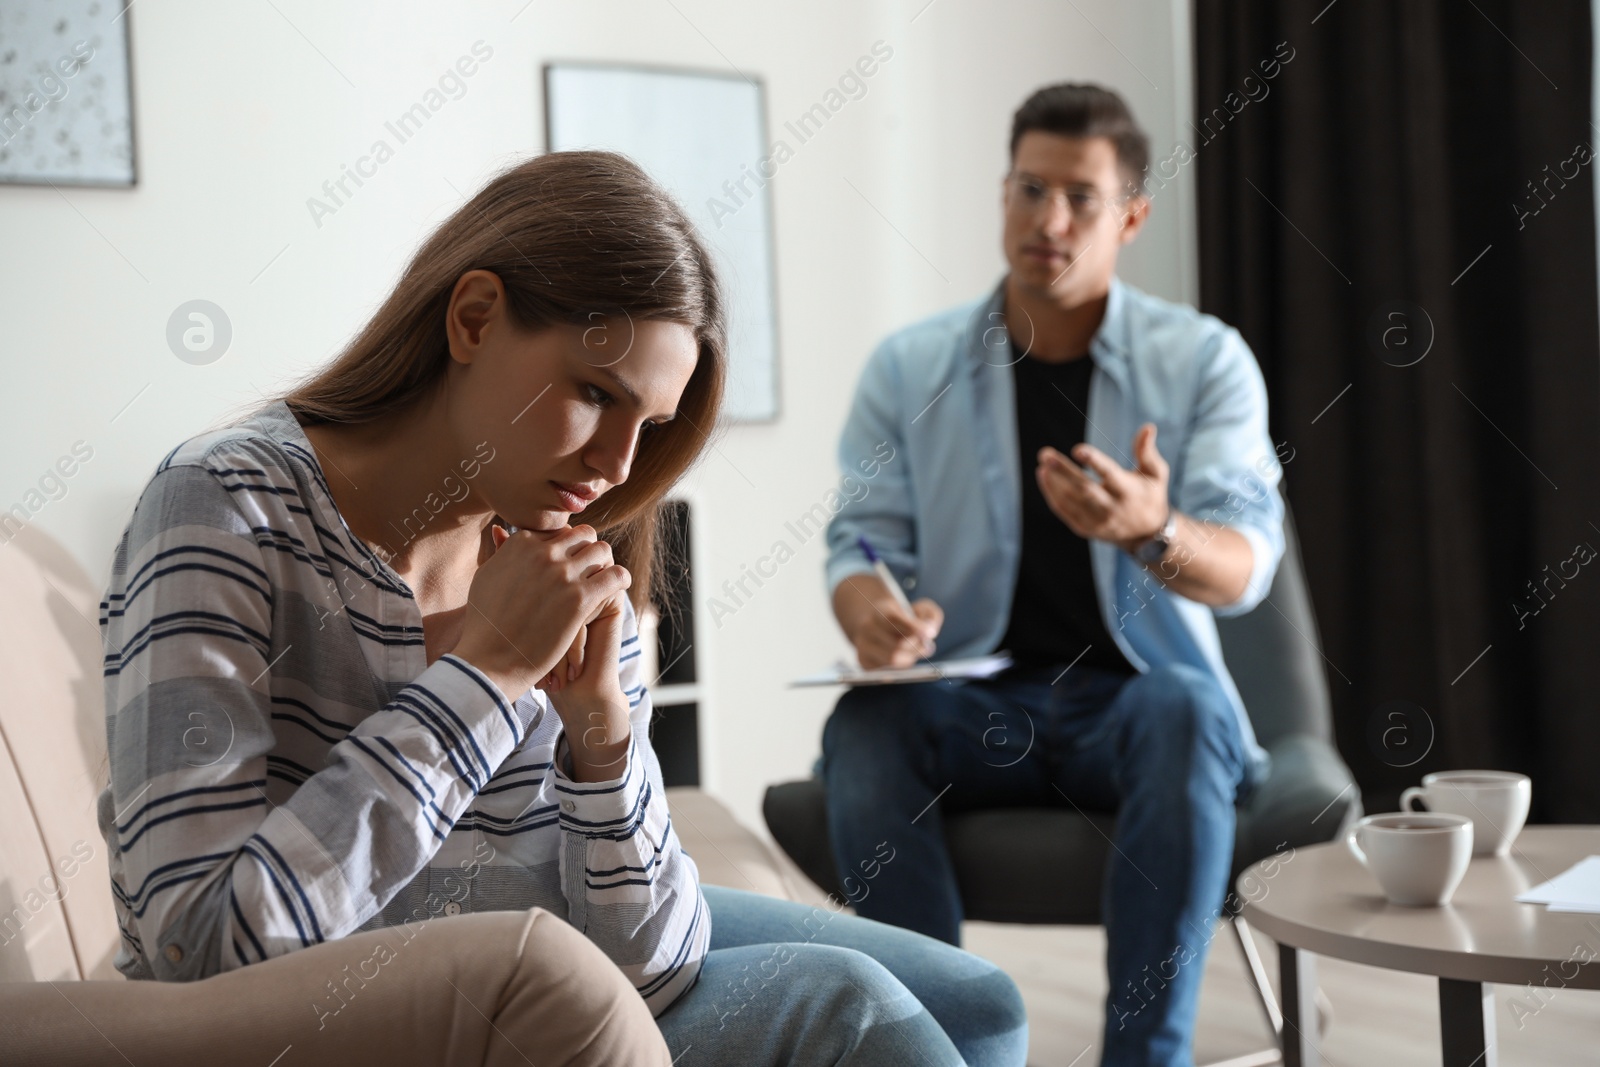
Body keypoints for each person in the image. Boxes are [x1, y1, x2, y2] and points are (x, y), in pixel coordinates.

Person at [96, 150, 1025, 1065]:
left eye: (649, 427)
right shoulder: (224, 504)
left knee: (976, 1005)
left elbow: (650, 968)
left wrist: (603, 748)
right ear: (472, 318)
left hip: (546, 964)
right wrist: (484, 677)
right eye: (593, 394)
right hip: (362, 1015)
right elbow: (197, 952)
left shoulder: (564, 534)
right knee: (853, 1013)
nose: (618, 467)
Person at [821, 84, 1287, 1066]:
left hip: (1134, 706)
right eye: (1030, 189)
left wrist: (1154, 527)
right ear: (1002, 193)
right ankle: (929, 1052)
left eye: (1080, 197)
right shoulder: (909, 368)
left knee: (1190, 710)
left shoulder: (1205, 360)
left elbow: (1244, 564)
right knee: (861, 724)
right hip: (969, 698)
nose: (1049, 220)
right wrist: (874, 617)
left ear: (1131, 214)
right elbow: (860, 543)